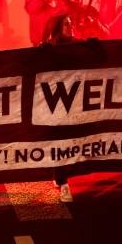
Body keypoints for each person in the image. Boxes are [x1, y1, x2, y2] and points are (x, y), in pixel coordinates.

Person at [39, 13, 78, 202]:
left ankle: (59, 175)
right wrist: (43, 53)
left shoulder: (78, 44)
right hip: (55, 102)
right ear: (56, 27)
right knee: (60, 140)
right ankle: (63, 182)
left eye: (71, 23)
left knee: (70, 141)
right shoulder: (49, 47)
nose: (70, 26)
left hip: (75, 100)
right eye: (66, 24)